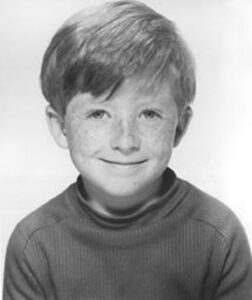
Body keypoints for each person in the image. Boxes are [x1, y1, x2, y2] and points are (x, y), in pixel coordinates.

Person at [3, 1, 252, 299]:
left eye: (149, 114)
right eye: (98, 114)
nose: (125, 141)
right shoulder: (35, 244)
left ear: (180, 126)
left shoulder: (218, 233)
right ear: (60, 126)